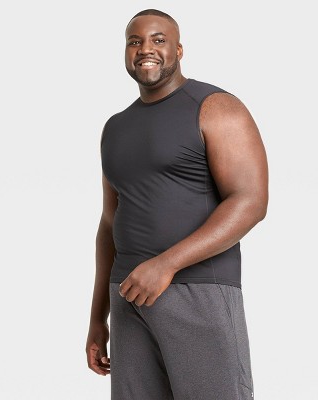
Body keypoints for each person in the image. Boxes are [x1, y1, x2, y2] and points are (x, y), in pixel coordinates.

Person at [86, 8, 268, 400]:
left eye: (158, 39)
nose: (145, 49)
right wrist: (98, 316)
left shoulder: (215, 107)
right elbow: (109, 222)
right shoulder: (115, 127)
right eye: (134, 41)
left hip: (197, 291)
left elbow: (251, 201)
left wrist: (166, 264)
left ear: (179, 50)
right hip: (128, 295)